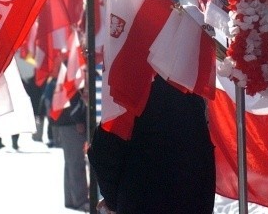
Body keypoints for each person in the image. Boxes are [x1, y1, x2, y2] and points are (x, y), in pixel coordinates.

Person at [87, 75, 216, 214]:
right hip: (190, 200)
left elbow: (105, 150)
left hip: (142, 200)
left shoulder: (132, 85)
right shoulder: (192, 93)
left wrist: (113, 201)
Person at [52, 88, 89, 211]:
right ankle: (80, 200)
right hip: (72, 122)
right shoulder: (75, 71)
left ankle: (72, 199)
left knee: (71, 163)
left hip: (67, 120)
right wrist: (78, 119)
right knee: (76, 162)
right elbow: (73, 95)